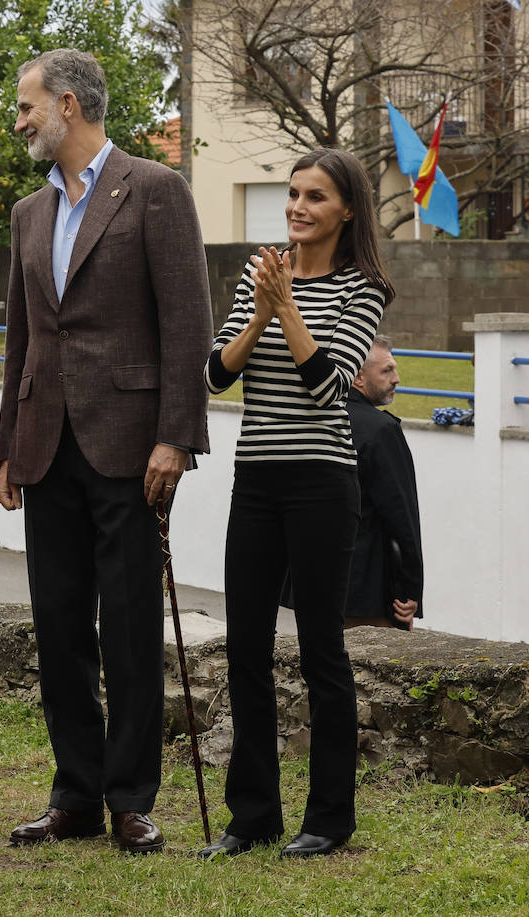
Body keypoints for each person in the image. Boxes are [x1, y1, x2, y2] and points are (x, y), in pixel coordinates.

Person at [0, 49, 212, 855]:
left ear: (70, 105)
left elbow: (188, 321)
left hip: (132, 446)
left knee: (127, 627)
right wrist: (9, 448)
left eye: (26, 107)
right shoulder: (26, 213)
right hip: (46, 444)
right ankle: (75, 796)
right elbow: (22, 337)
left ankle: (130, 798)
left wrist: (175, 438)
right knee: (58, 627)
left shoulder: (157, 190)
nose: (19, 121)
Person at [199, 147, 390, 860]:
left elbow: (326, 384)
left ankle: (329, 816)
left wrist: (285, 308)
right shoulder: (262, 276)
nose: (297, 207)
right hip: (257, 478)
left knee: (321, 650)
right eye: (292, 193)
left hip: (321, 481)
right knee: (245, 646)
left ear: (346, 210)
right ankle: (253, 816)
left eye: (315, 197)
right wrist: (261, 310)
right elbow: (216, 373)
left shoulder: (362, 288)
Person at [344, 335, 423, 629]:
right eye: (387, 370)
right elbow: (401, 517)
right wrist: (410, 591)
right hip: (369, 590)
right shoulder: (381, 430)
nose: (397, 379)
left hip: (314, 585)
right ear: (357, 377)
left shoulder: (316, 419)